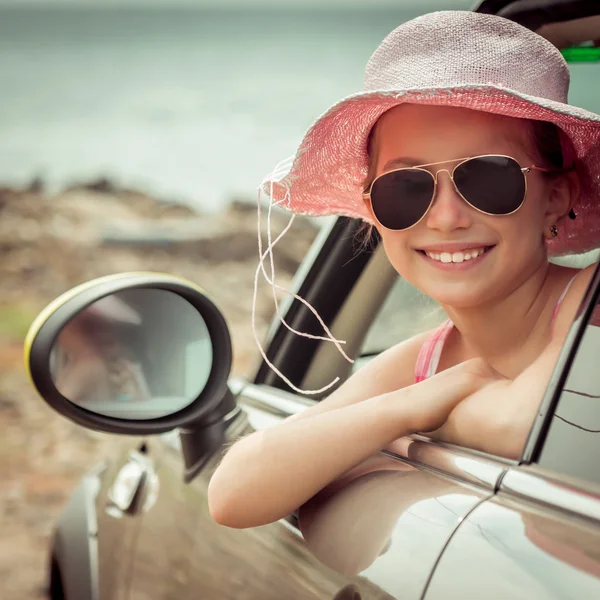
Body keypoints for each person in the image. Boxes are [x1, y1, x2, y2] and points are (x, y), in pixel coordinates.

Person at [208, 10, 600, 530]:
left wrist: (390, 427)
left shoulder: (591, 301)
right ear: (372, 211)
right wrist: (408, 409)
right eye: (407, 188)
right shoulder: (423, 365)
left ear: (557, 197)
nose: (446, 218)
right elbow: (233, 494)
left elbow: (523, 426)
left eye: (488, 178)